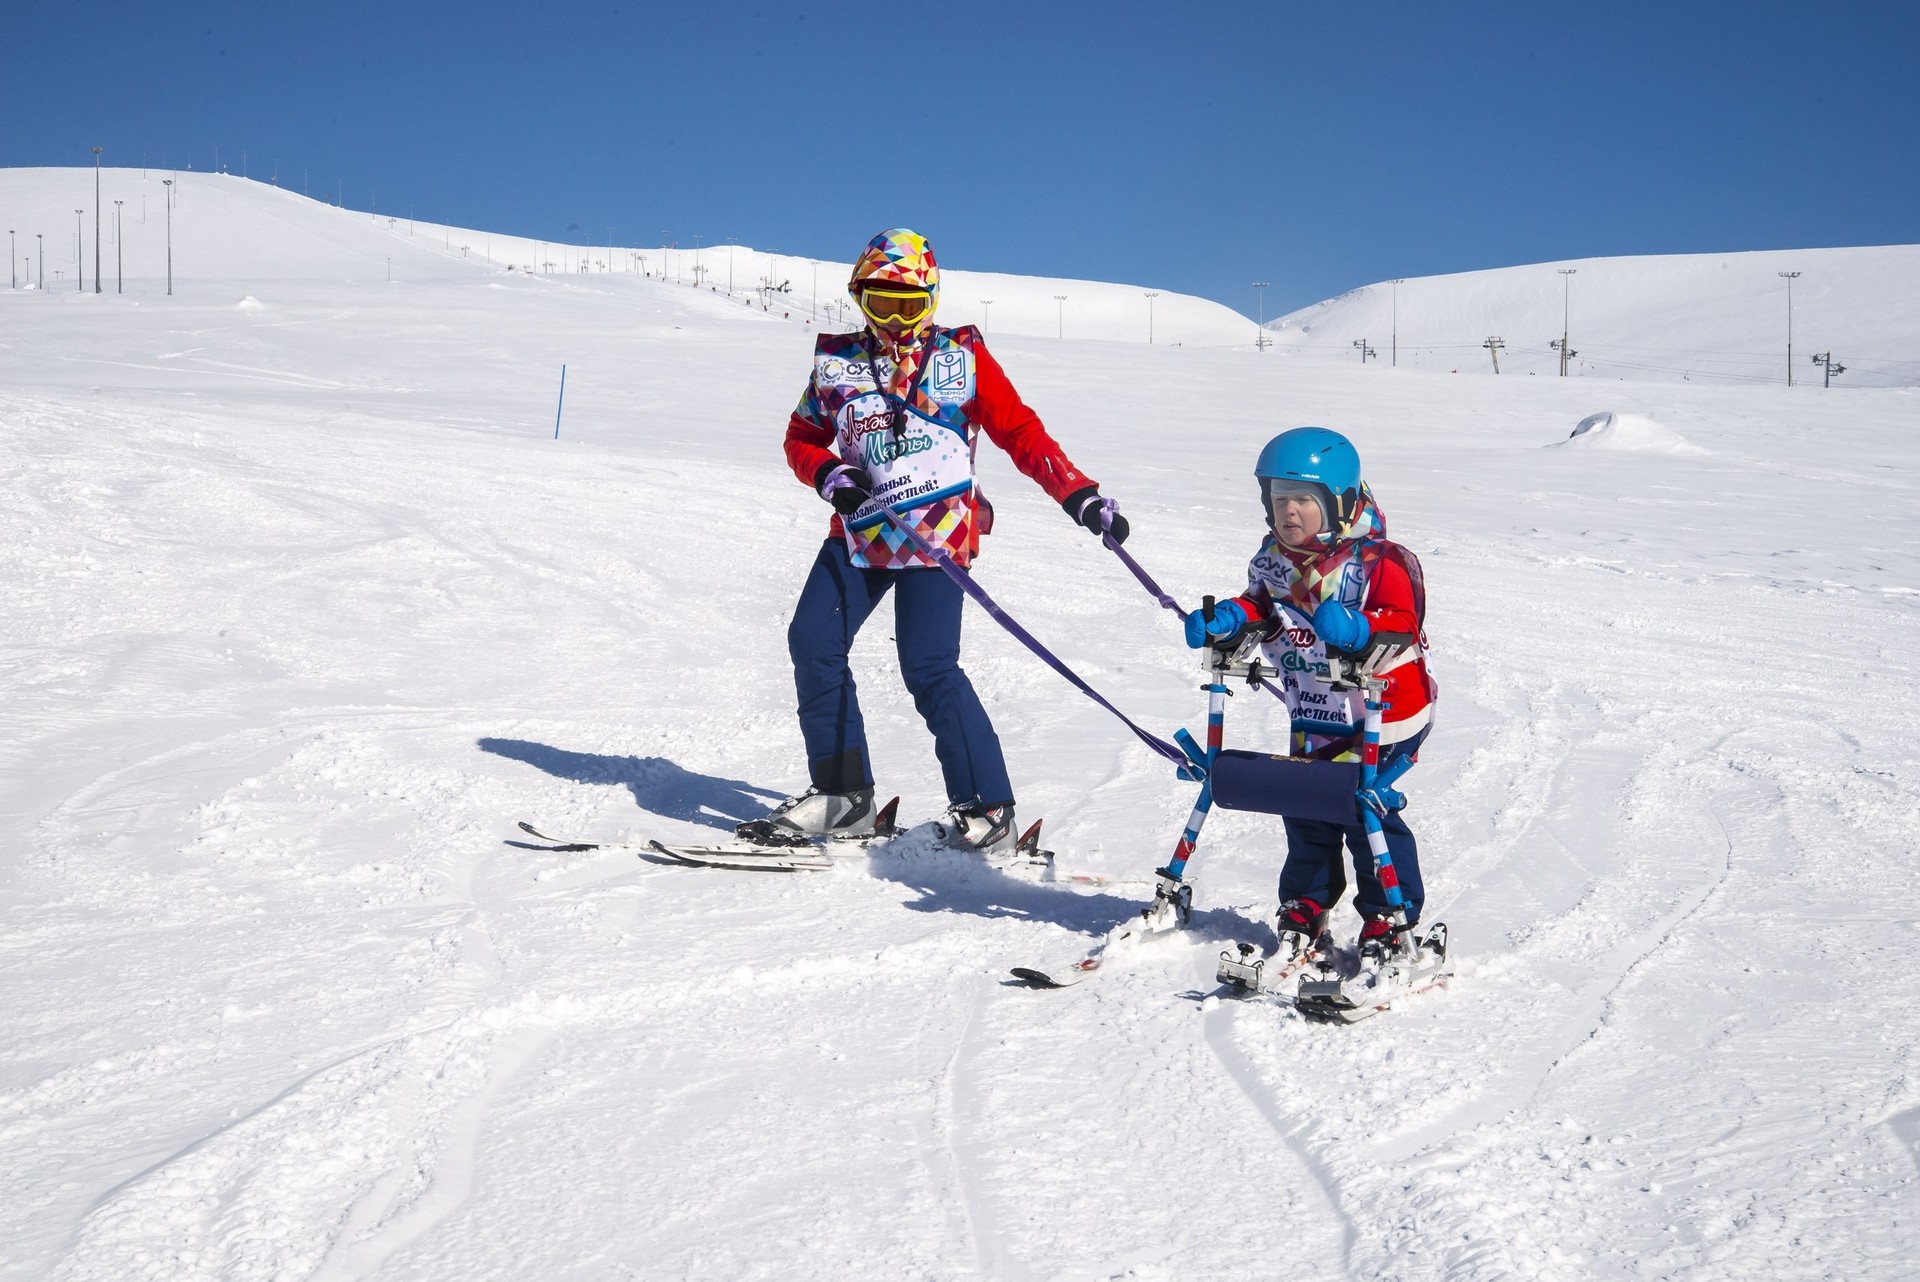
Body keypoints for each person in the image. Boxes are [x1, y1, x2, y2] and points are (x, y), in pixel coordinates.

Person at [752, 228, 1128, 852]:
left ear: (931, 298)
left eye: (909, 303)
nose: (895, 319)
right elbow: (801, 438)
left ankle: (988, 811)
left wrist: (1078, 493)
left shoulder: (962, 358)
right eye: (880, 302)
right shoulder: (836, 364)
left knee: (927, 665)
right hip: (861, 533)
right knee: (813, 641)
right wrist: (830, 474)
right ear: (859, 297)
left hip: (935, 538)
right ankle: (843, 796)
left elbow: (1021, 433)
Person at [1182, 427, 1436, 962]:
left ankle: (1390, 915)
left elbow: (1401, 623)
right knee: (1305, 808)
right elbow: (1260, 606)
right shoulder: (1273, 559)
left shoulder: (1382, 560)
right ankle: (1306, 902)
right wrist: (1229, 619)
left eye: (1303, 499)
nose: (1289, 513)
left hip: (1382, 713)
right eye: (1279, 500)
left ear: (1339, 503)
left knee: (1367, 812)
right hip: (1315, 708)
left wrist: (1359, 629)